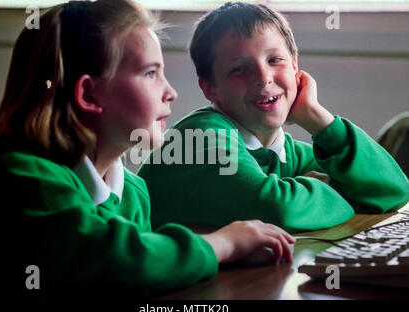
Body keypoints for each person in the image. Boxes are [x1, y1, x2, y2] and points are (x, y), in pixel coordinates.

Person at [0, 0, 295, 298]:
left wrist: (228, 258)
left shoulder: (133, 192)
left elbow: (143, 283)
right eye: (151, 73)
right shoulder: (17, 176)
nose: (171, 92)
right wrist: (225, 243)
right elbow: (112, 259)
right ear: (89, 95)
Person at [138, 2, 409, 232]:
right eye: (239, 69)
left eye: (274, 60)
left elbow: (394, 191)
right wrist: (339, 188)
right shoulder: (199, 141)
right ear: (211, 89)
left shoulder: (283, 151)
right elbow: (276, 210)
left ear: (295, 67)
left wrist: (318, 120)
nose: (263, 78)